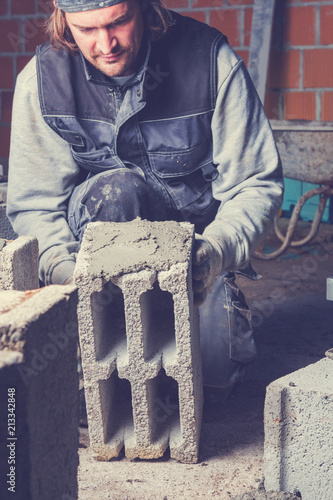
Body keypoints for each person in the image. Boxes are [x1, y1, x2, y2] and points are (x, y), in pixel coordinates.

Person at [7, 0, 283, 393]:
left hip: (191, 250)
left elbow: (256, 183)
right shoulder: (43, 82)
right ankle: (112, 332)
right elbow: (36, 203)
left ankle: (192, 318)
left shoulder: (209, 61)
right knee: (119, 190)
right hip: (100, 253)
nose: (106, 44)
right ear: (62, 17)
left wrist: (214, 253)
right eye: (87, 30)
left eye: (119, 22)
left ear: (145, 7)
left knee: (215, 376)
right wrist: (68, 273)